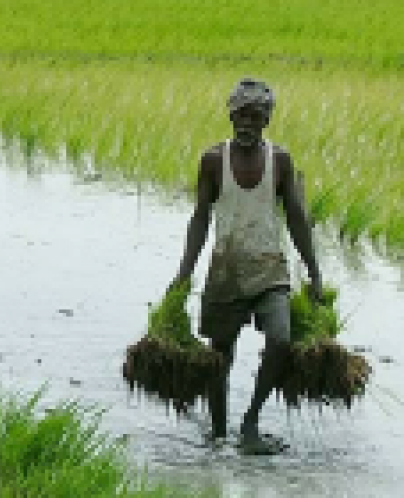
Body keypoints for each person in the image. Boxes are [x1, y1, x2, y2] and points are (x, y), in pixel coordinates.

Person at [169, 78, 323, 454]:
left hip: (271, 270)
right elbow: (200, 218)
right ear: (230, 115)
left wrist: (315, 272)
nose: (246, 124)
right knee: (220, 356)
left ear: (267, 120)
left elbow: (297, 219)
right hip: (226, 271)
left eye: (255, 116)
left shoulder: (280, 161)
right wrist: (185, 272)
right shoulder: (213, 161)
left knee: (281, 340)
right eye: (240, 115)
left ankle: (250, 423)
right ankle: (220, 435)